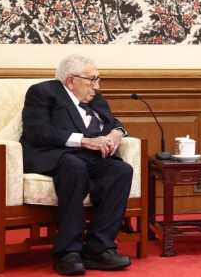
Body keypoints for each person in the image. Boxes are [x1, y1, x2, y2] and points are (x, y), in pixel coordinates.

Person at [20, 54, 133, 275]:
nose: (97, 86)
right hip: (55, 156)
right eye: (92, 80)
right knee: (74, 166)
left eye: (98, 79)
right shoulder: (43, 92)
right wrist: (83, 140)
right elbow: (37, 131)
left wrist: (117, 134)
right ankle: (67, 252)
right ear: (70, 81)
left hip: (88, 158)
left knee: (120, 170)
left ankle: (98, 248)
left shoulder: (94, 98)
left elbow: (113, 121)